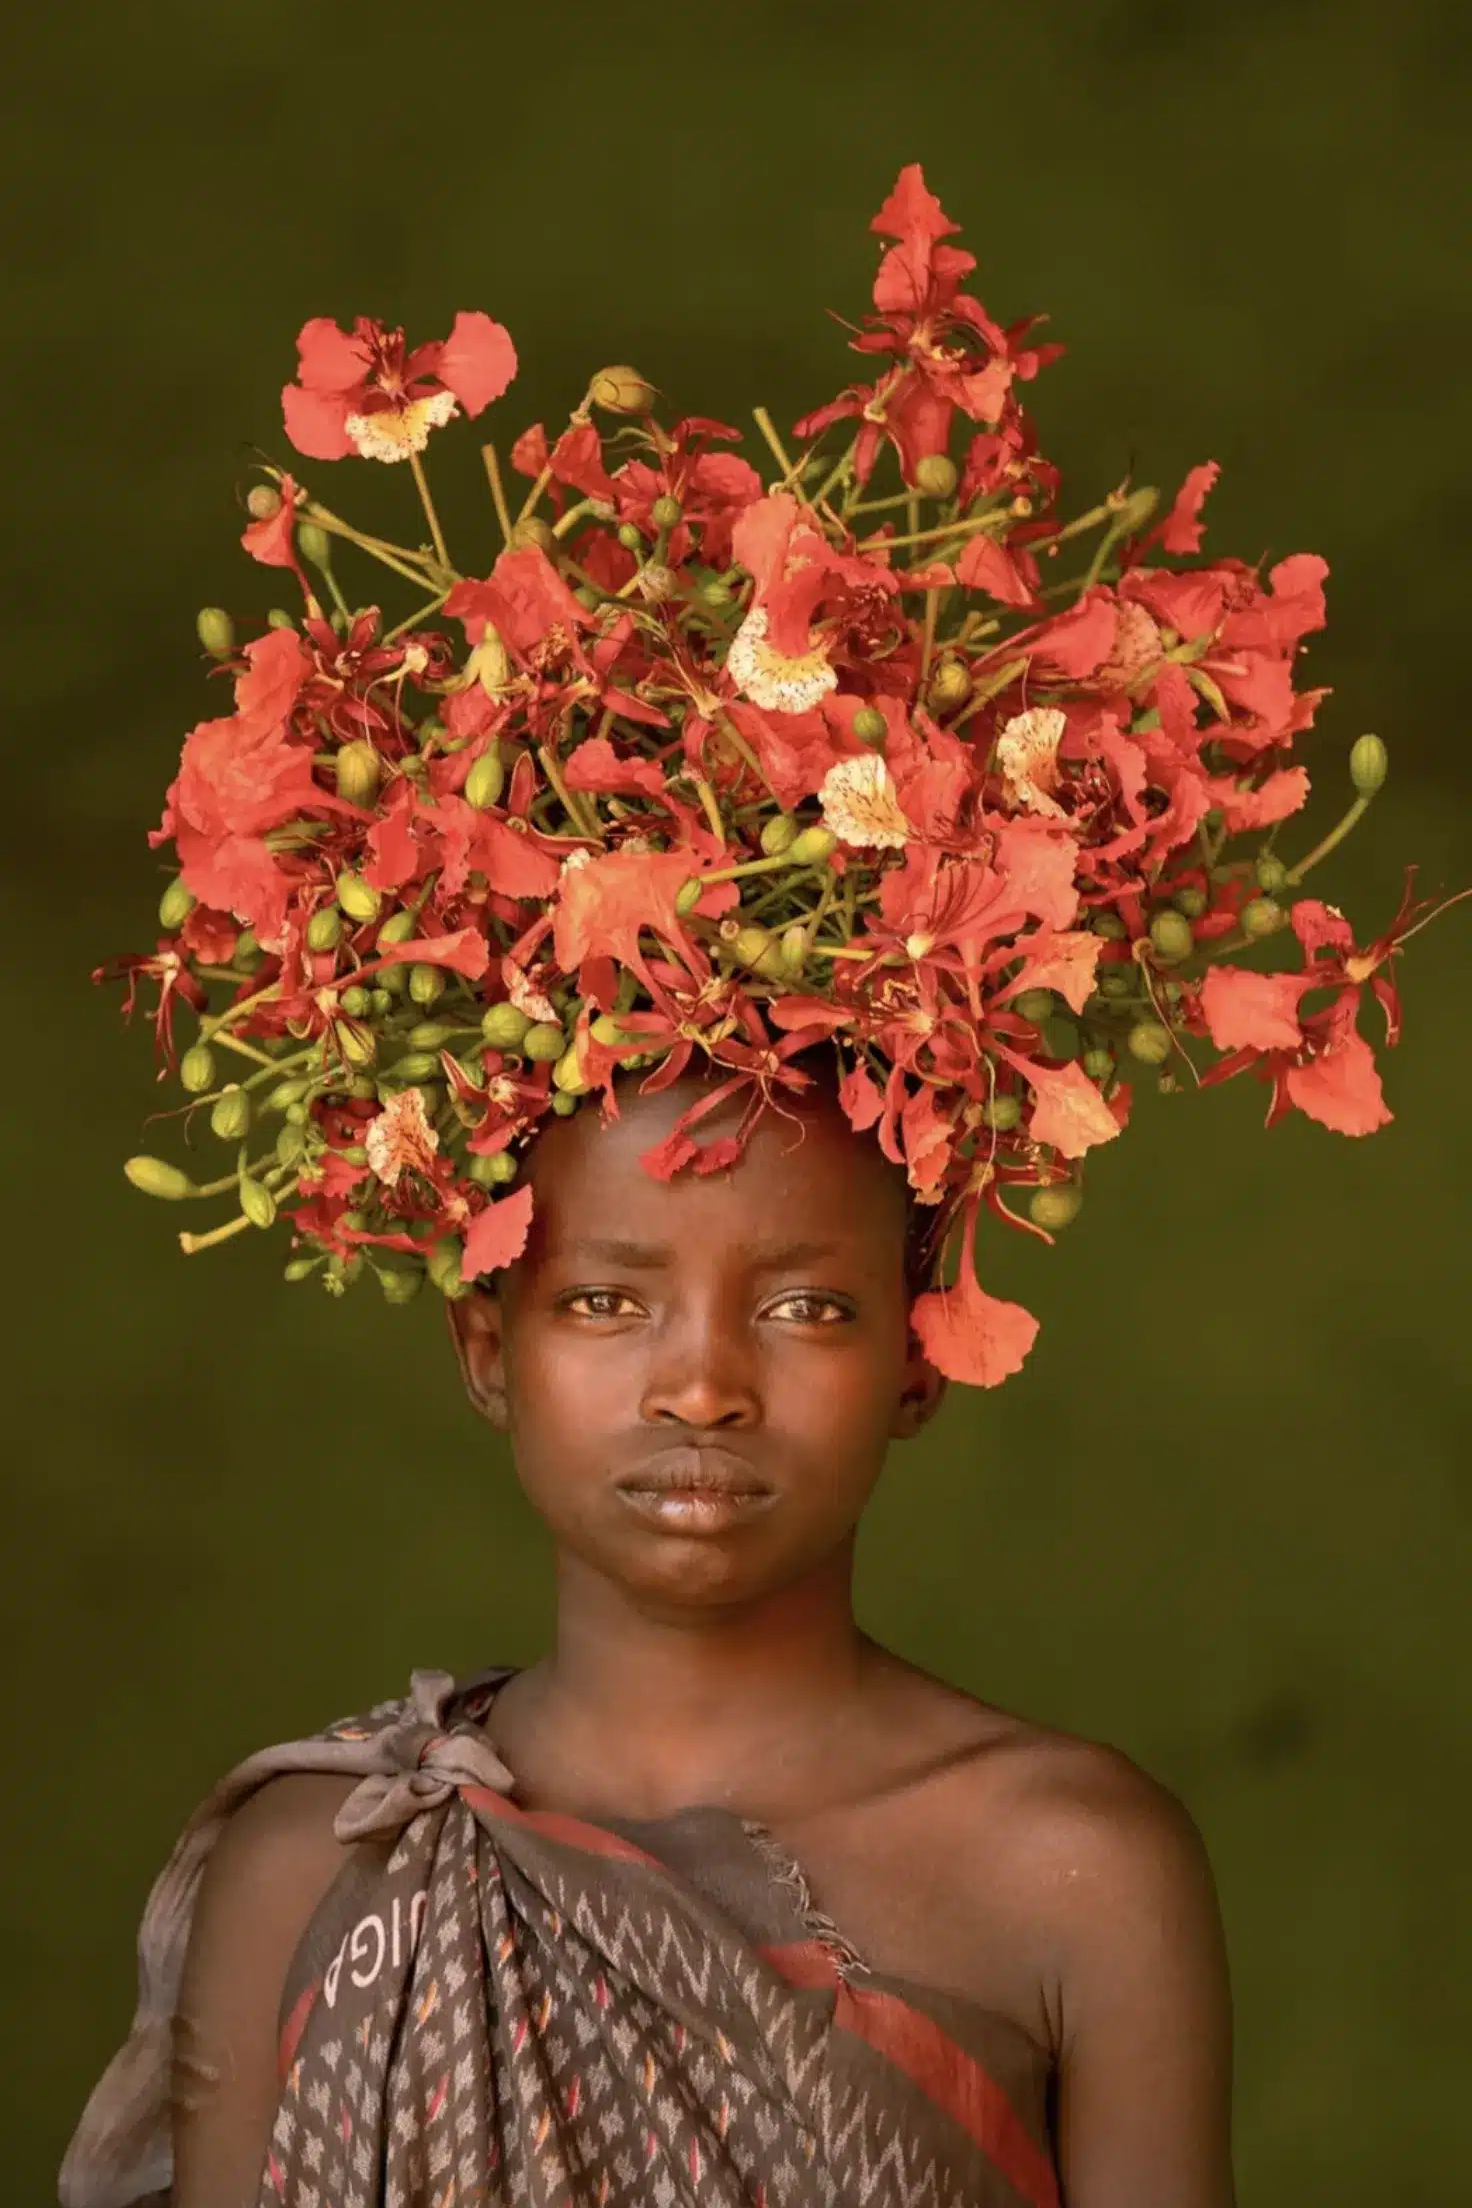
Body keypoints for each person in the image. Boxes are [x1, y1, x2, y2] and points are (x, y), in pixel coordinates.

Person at [61, 1050, 1236, 2208]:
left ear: (915, 1364)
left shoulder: (1073, 1872)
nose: (701, 1386)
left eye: (804, 1306)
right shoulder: (320, 1863)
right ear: (488, 1354)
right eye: (603, 1301)